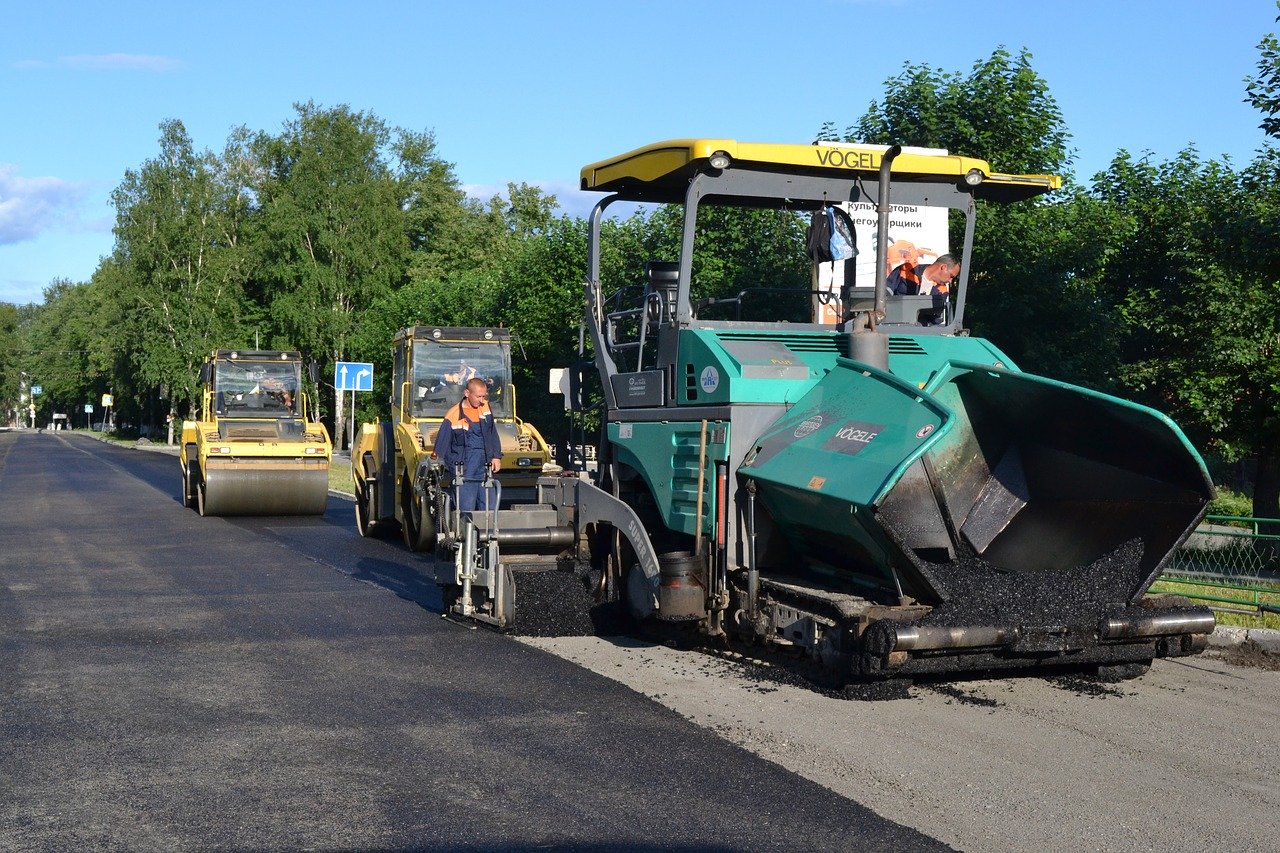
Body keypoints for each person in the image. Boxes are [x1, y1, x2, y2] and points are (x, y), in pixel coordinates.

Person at [433, 377, 503, 512]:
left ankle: (488, 533)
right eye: (478, 396)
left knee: (490, 509)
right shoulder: (453, 415)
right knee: (466, 511)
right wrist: (443, 466)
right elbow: (441, 445)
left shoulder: (485, 408)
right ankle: (465, 533)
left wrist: (496, 456)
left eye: (484, 396)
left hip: (485, 470)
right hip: (464, 473)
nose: (481, 400)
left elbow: (492, 433)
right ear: (467, 393)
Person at [886, 253, 960, 297]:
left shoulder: (942, 291)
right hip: (893, 321)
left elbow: (936, 320)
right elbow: (885, 293)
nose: (950, 281)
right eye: (951, 276)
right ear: (943, 267)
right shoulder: (906, 270)